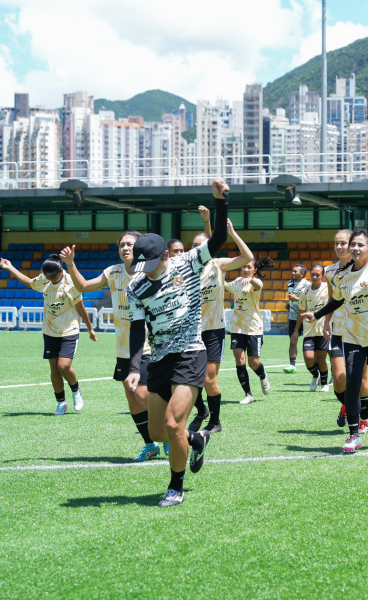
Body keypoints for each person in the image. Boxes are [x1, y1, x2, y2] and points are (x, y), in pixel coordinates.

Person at [125, 179, 229, 508]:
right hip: (159, 359)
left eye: (151, 264)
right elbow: (137, 328)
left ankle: (175, 487)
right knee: (158, 432)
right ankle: (198, 440)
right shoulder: (138, 286)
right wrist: (132, 366)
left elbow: (220, 239)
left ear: (166, 255)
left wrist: (221, 201)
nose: (146, 271)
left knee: (173, 424)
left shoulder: (190, 262)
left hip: (190, 353)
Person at [60, 232, 159, 461]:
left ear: (140, 247)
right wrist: (71, 264)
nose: (125, 247)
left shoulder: (150, 273)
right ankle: (149, 444)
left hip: (148, 345)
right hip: (123, 348)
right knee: (131, 396)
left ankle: (169, 434)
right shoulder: (113, 271)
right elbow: (83, 286)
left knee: (143, 395)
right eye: (122, 244)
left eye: (130, 244)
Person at [302, 229, 368, 452]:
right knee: (352, 384)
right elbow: (336, 301)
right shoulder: (343, 276)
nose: (355, 248)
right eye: (352, 244)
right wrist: (316, 315)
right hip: (353, 336)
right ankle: (353, 434)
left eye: (360, 245)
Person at [0, 253, 97, 415]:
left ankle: (76, 390)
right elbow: (29, 283)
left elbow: (81, 307)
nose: (49, 281)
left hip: (69, 329)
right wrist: (10, 267)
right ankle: (61, 403)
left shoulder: (70, 284)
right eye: (46, 277)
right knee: (54, 368)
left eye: (52, 277)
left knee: (63, 366)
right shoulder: (44, 278)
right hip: (50, 330)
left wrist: (90, 329)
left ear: (60, 272)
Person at [187, 208, 254, 433]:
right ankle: (201, 410)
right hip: (189, 330)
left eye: (201, 245)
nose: (197, 248)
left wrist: (232, 232)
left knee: (208, 379)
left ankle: (215, 421)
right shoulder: (184, 268)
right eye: (193, 245)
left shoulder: (217, 265)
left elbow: (247, 258)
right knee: (186, 378)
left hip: (213, 329)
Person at [323, 230, 368, 431]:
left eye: (343, 243)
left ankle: (365, 419)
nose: (339, 247)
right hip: (338, 331)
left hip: (359, 331)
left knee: (360, 379)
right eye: (336, 243)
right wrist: (326, 321)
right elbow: (332, 300)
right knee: (338, 380)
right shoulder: (330, 272)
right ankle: (346, 404)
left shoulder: (365, 269)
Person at [227, 258, 274, 404]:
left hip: (253, 328)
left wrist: (251, 280)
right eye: (244, 267)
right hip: (236, 327)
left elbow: (258, 284)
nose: (246, 269)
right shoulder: (236, 282)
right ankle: (248, 394)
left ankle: (262, 375)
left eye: (249, 267)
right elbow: (224, 285)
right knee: (239, 359)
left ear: (254, 270)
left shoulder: (256, 283)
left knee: (253, 363)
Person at [293, 264, 331, 393]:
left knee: (321, 358)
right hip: (309, 330)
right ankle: (316, 375)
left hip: (323, 330)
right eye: (312, 274)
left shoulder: (328, 289)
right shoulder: (305, 291)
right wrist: (296, 330)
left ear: (323, 276)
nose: (314, 277)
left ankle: (324, 383)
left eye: (317, 275)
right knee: (308, 358)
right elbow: (301, 311)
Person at [283, 264, 311, 374]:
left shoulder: (307, 285)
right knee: (293, 340)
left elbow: (309, 300)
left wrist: (296, 299)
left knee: (309, 340)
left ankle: (314, 363)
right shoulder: (289, 283)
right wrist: (289, 303)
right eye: (292, 271)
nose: (293, 273)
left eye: (295, 271)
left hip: (305, 316)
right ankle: (292, 365)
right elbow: (291, 297)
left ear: (302, 274)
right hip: (293, 316)